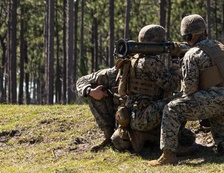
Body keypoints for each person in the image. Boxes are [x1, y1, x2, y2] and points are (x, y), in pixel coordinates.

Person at [150, 14, 224, 166]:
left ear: (189, 36)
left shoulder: (192, 54)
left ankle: (168, 155)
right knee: (222, 143)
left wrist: (178, 65)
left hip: (212, 100)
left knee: (171, 109)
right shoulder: (222, 48)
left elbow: (190, 90)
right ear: (205, 32)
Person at [78, 24, 188, 153]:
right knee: (184, 98)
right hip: (146, 118)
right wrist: (175, 60)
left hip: (129, 118)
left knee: (188, 136)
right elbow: (174, 85)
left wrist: (89, 91)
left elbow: (83, 80)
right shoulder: (151, 63)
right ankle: (173, 146)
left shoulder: (127, 62)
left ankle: (119, 137)